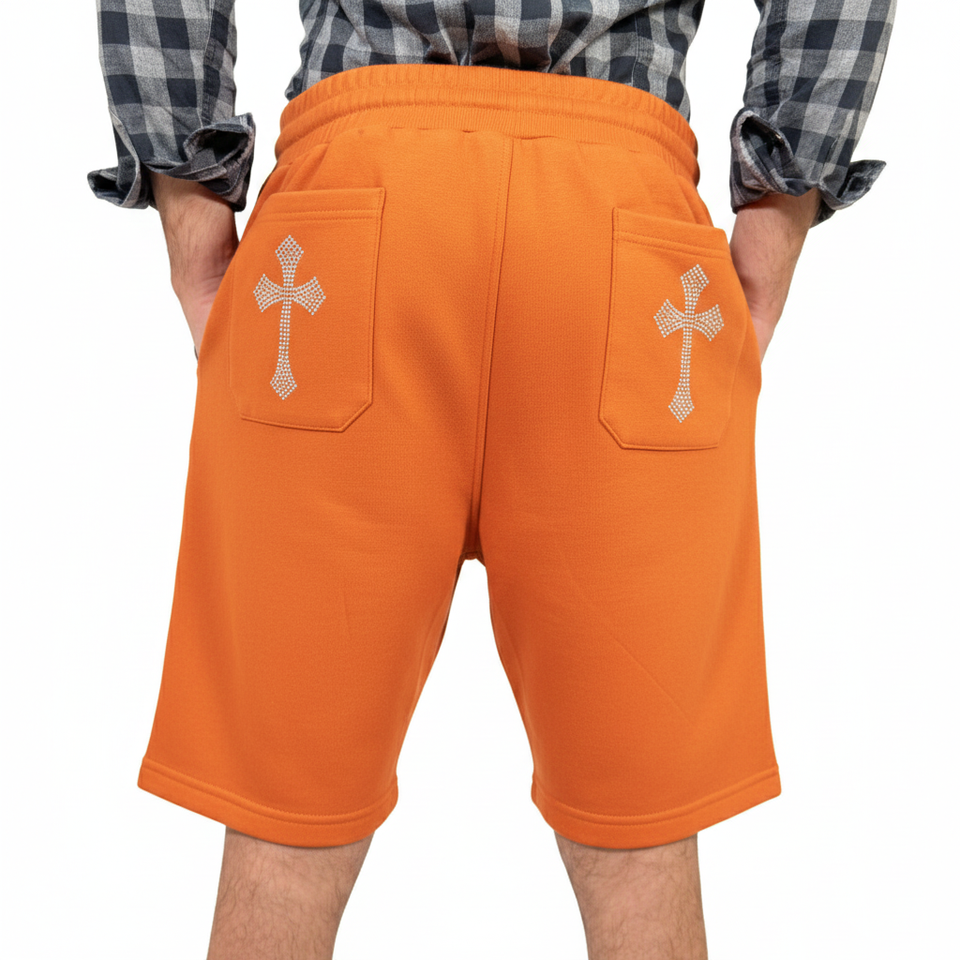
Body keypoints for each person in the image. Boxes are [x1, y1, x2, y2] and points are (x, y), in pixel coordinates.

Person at [89, 1, 895, 957]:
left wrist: (192, 222)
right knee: (639, 844)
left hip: (349, 215)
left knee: (284, 837)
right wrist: (773, 232)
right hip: (621, 233)